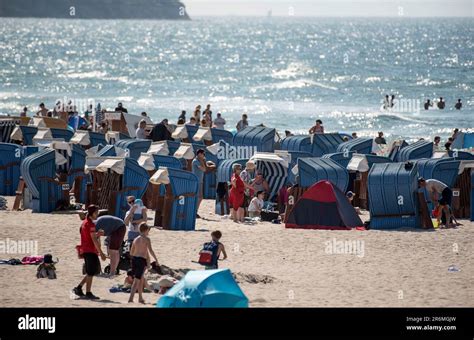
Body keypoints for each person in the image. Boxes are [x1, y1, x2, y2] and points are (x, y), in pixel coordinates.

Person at [73, 205, 107, 300]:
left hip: (86, 249)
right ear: (92, 213)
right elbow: (94, 240)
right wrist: (101, 253)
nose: (97, 214)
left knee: (90, 272)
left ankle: (78, 288)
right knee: (91, 272)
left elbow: (90, 235)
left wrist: (97, 234)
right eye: (96, 212)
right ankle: (88, 293)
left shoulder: (85, 222)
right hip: (90, 250)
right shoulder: (90, 224)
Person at [128, 223, 159, 304]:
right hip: (141, 261)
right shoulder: (147, 239)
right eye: (148, 230)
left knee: (141, 279)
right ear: (146, 230)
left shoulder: (135, 239)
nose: (148, 232)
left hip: (134, 259)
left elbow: (131, 252)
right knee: (137, 280)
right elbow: (150, 250)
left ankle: (140, 298)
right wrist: (156, 259)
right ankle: (130, 299)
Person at [192, 149, 207, 217]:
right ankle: (194, 212)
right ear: (199, 154)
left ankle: (195, 211)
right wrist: (202, 161)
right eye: (203, 154)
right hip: (197, 181)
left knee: (200, 197)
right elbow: (204, 169)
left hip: (199, 181)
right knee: (199, 197)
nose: (204, 155)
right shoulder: (196, 161)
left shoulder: (199, 161)